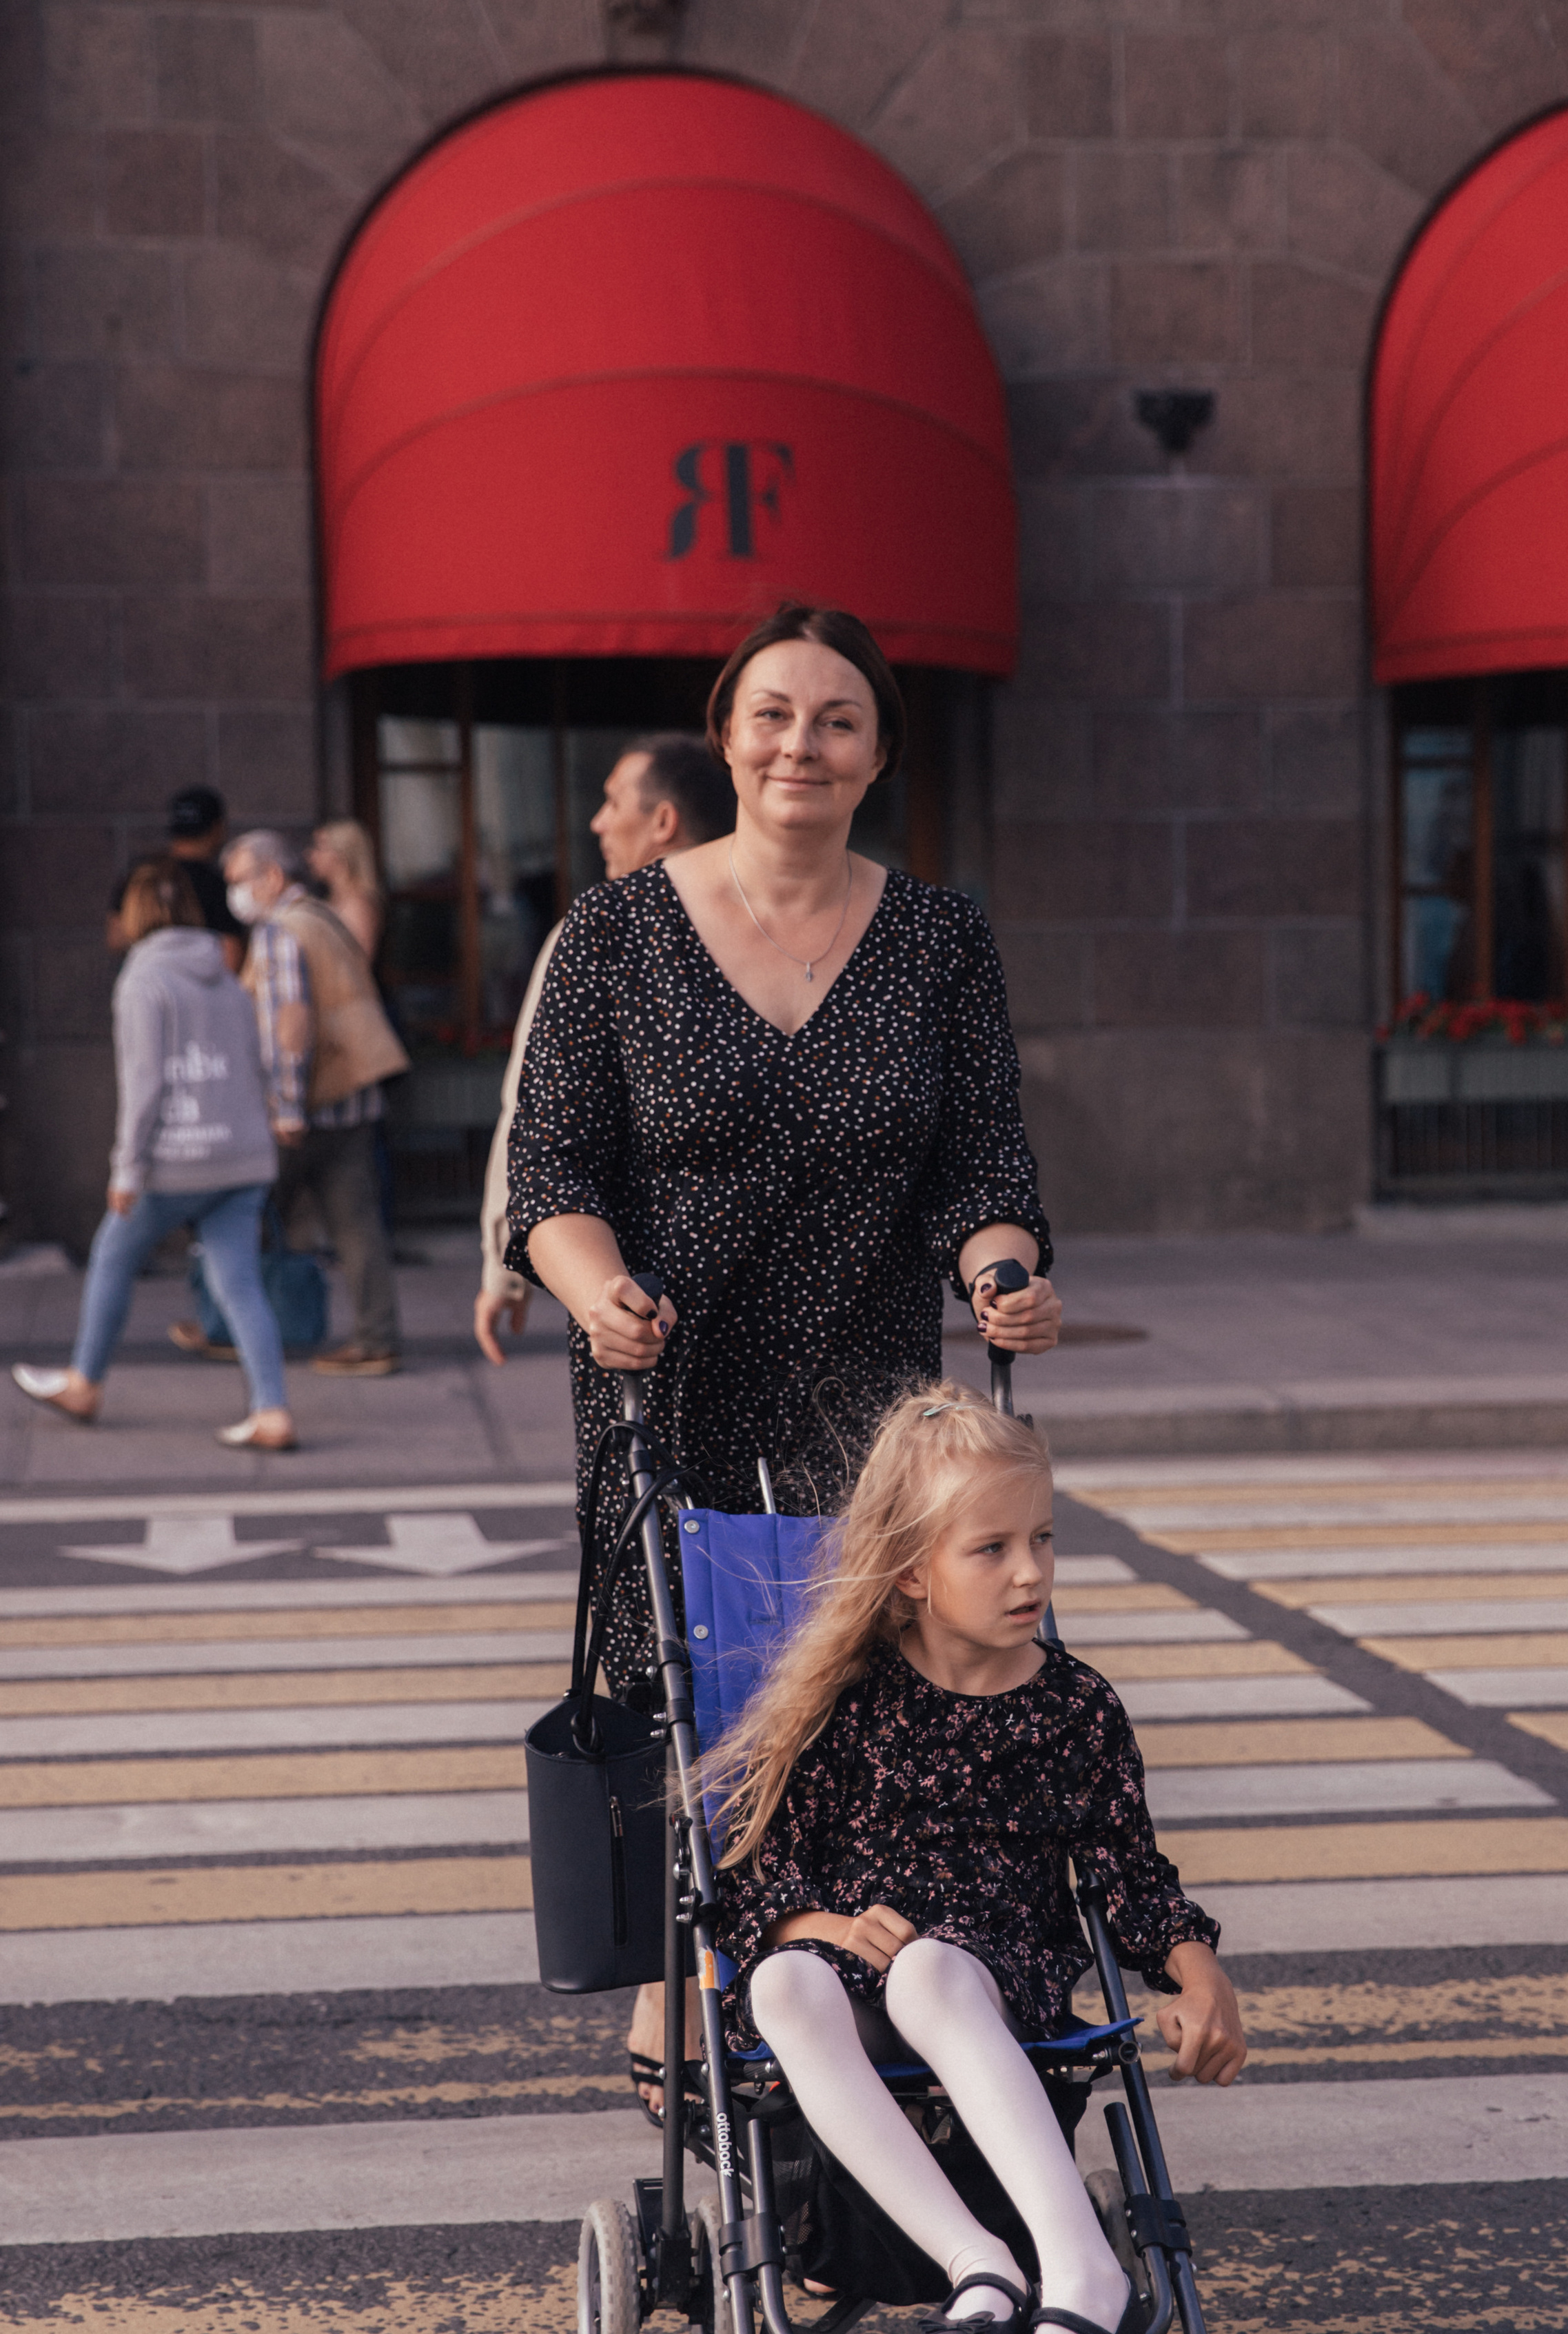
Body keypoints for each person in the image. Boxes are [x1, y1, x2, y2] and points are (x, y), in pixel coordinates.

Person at [505, 606, 1060, 2111]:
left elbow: (980, 1163)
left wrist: (1001, 1273)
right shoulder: (613, 933)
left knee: (873, 1703)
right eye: (769, 715)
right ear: (727, 733)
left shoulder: (939, 940)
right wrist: (597, 1284)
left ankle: (868, 2006)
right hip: (664, 1384)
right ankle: (680, 2006)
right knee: (691, 1705)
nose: (796, 744)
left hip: (871, 1403)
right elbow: (550, 1172)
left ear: (877, 752)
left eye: (832, 719)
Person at [713, 1385, 1245, 2334]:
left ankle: (1085, 2277)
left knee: (930, 1974)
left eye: (1043, 1540)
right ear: (911, 1572)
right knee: (778, 1982)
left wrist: (1199, 1976)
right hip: (851, 1961)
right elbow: (752, 1885)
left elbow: (1129, 1874)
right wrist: (812, 1923)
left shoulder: (1073, 1706)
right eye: (992, 1549)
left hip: (993, 1967)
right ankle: (982, 2266)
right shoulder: (847, 1703)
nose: (1032, 1573)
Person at [12, 857, 295, 1449]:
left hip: (174, 1160)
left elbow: (144, 1086)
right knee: (239, 1283)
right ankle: (271, 1409)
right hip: (241, 1158)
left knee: (113, 1256)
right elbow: (254, 1066)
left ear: (135, 916)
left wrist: (127, 1169)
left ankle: (86, 1382)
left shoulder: (143, 981)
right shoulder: (225, 974)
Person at [474, 734, 736, 1366]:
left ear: (663, 822)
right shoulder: (602, 931)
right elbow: (545, 1129)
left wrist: (501, 1269)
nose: (598, 821)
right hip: (633, 1307)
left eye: (613, 801)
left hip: (641, 1302)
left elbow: (524, 1110)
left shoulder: (597, 933)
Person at [223, 829, 410, 1378]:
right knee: (357, 1225)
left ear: (271, 877)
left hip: (304, 1109)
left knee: (240, 1219)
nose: (235, 893)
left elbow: (291, 1024)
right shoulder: (322, 917)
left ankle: (232, 1328)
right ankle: (378, 1338)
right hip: (350, 1099)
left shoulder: (281, 932)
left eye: (238, 880)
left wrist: (285, 1106)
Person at [108, 786, 247, 972]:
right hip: (198, 990)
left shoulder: (142, 873)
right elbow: (232, 951)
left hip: (149, 978)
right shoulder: (216, 883)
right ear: (218, 828)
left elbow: (116, 937)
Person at [307, 820, 385, 962]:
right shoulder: (334, 898)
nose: (311, 856)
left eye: (319, 847)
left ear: (340, 854)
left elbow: (358, 962)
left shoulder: (358, 906)